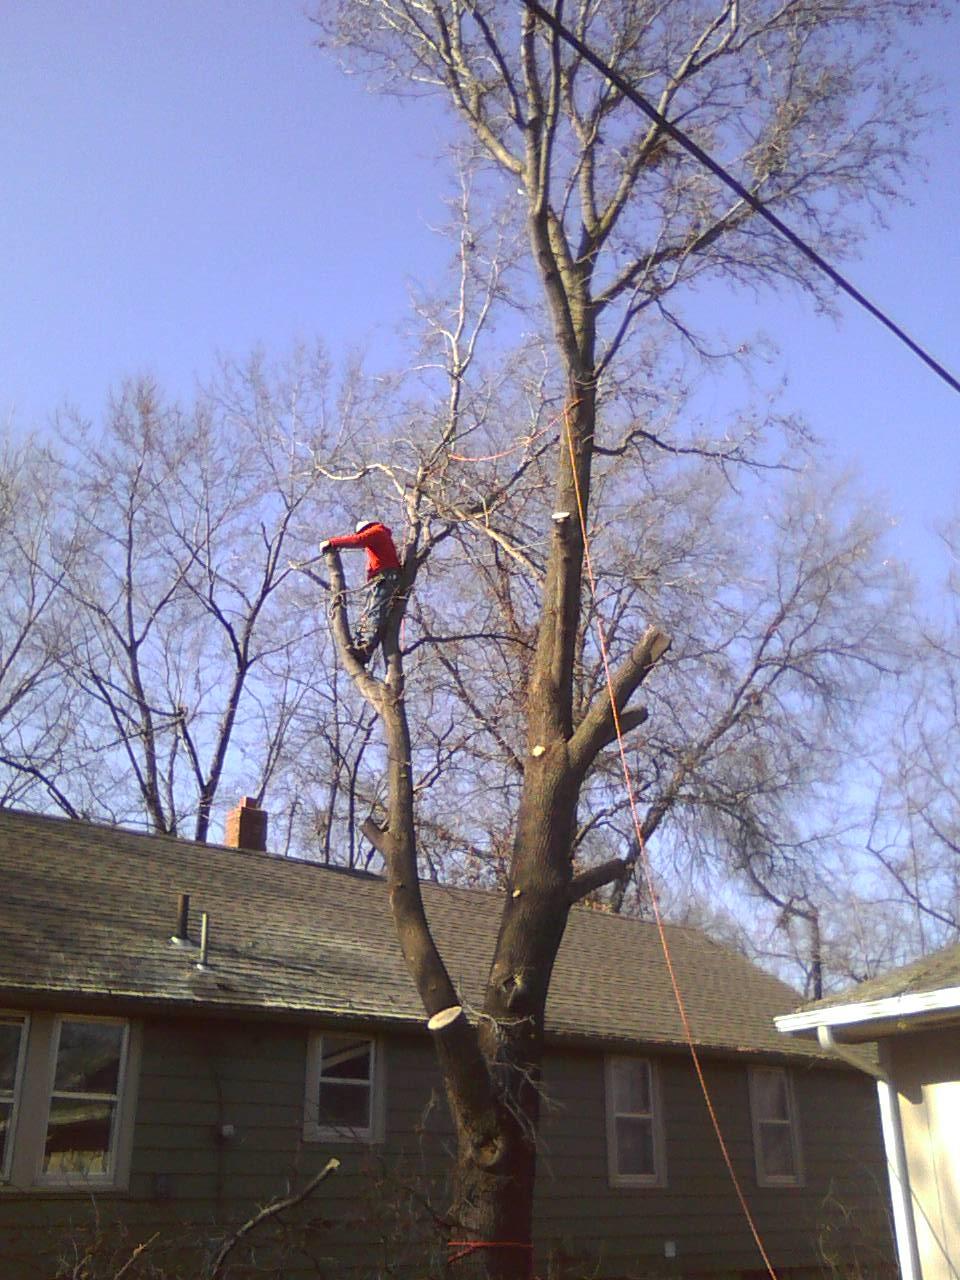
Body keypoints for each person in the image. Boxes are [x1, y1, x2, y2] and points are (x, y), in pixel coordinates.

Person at [319, 520, 401, 664]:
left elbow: (358, 540)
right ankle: (361, 645)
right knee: (368, 614)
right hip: (382, 579)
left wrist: (332, 542)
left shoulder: (376, 532)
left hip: (386, 578)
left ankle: (365, 650)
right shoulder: (378, 538)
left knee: (374, 613)